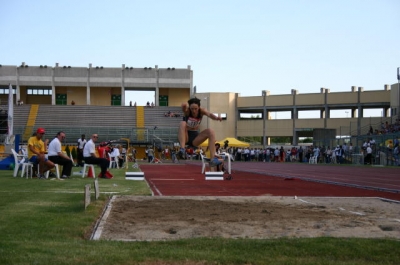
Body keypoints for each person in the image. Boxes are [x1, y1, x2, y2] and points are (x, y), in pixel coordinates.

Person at [177, 97, 222, 167]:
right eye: (192, 109)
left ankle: (213, 159)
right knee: (182, 123)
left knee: (211, 131)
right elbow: (184, 109)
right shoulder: (188, 111)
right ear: (190, 108)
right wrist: (183, 106)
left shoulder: (202, 111)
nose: (194, 111)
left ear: (199, 107)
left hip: (195, 137)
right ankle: (182, 150)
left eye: (196, 109)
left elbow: (209, 114)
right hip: (185, 136)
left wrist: (216, 118)